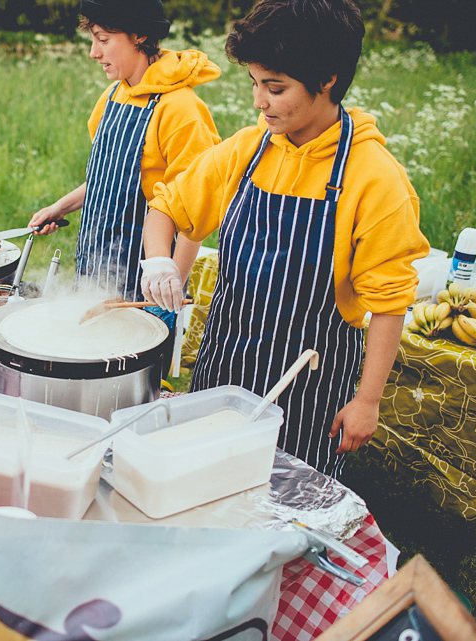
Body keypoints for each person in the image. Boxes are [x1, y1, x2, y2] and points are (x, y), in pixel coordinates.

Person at [141, 0, 430, 477]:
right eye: (255, 84)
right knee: (200, 490)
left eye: (275, 88)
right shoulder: (247, 150)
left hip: (307, 394)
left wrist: (368, 400)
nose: (259, 102)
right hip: (224, 369)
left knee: (284, 514)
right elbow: (165, 208)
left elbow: (390, 302)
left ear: (329, 79)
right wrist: (159, 261)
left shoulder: (375, 179)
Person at [28, 0, 220, 308]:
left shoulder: (182, 111)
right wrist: (61, 206)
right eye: (93, 39)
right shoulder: (114, 94)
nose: (94, 52)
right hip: (94, 269)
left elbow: (194, 216)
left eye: (103, 39)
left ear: (140, 35)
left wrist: (170, 288)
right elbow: (110, 180)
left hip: (144, 289)